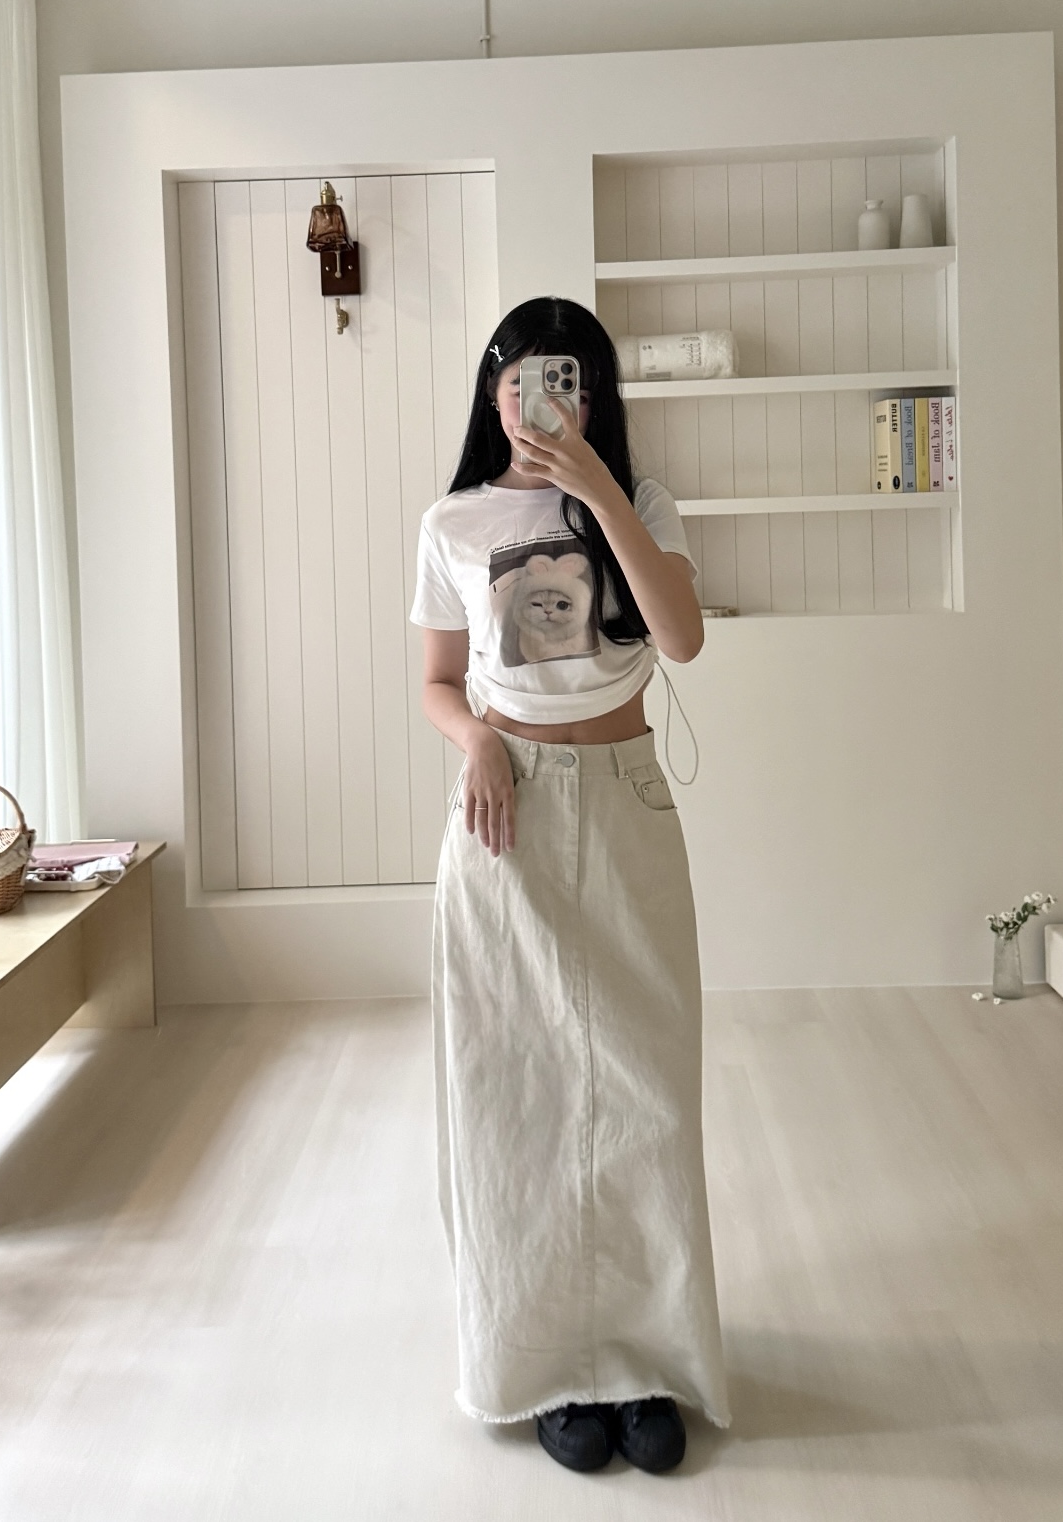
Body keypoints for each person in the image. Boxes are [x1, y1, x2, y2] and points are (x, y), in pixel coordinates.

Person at [411, 296, 729, 1475]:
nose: (543, 400)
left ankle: (643, 1362)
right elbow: (437, 681)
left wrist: (593, 488)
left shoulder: (639, 502)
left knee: (649, 1090)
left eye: (569, 381)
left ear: (595, 397)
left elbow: (681, 638)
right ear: (492, 389)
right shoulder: (451, 521)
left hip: (626, 798)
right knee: (520, 1096)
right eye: (525, 378)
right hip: (509, 814)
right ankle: (546, 1368)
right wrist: (477, 743)